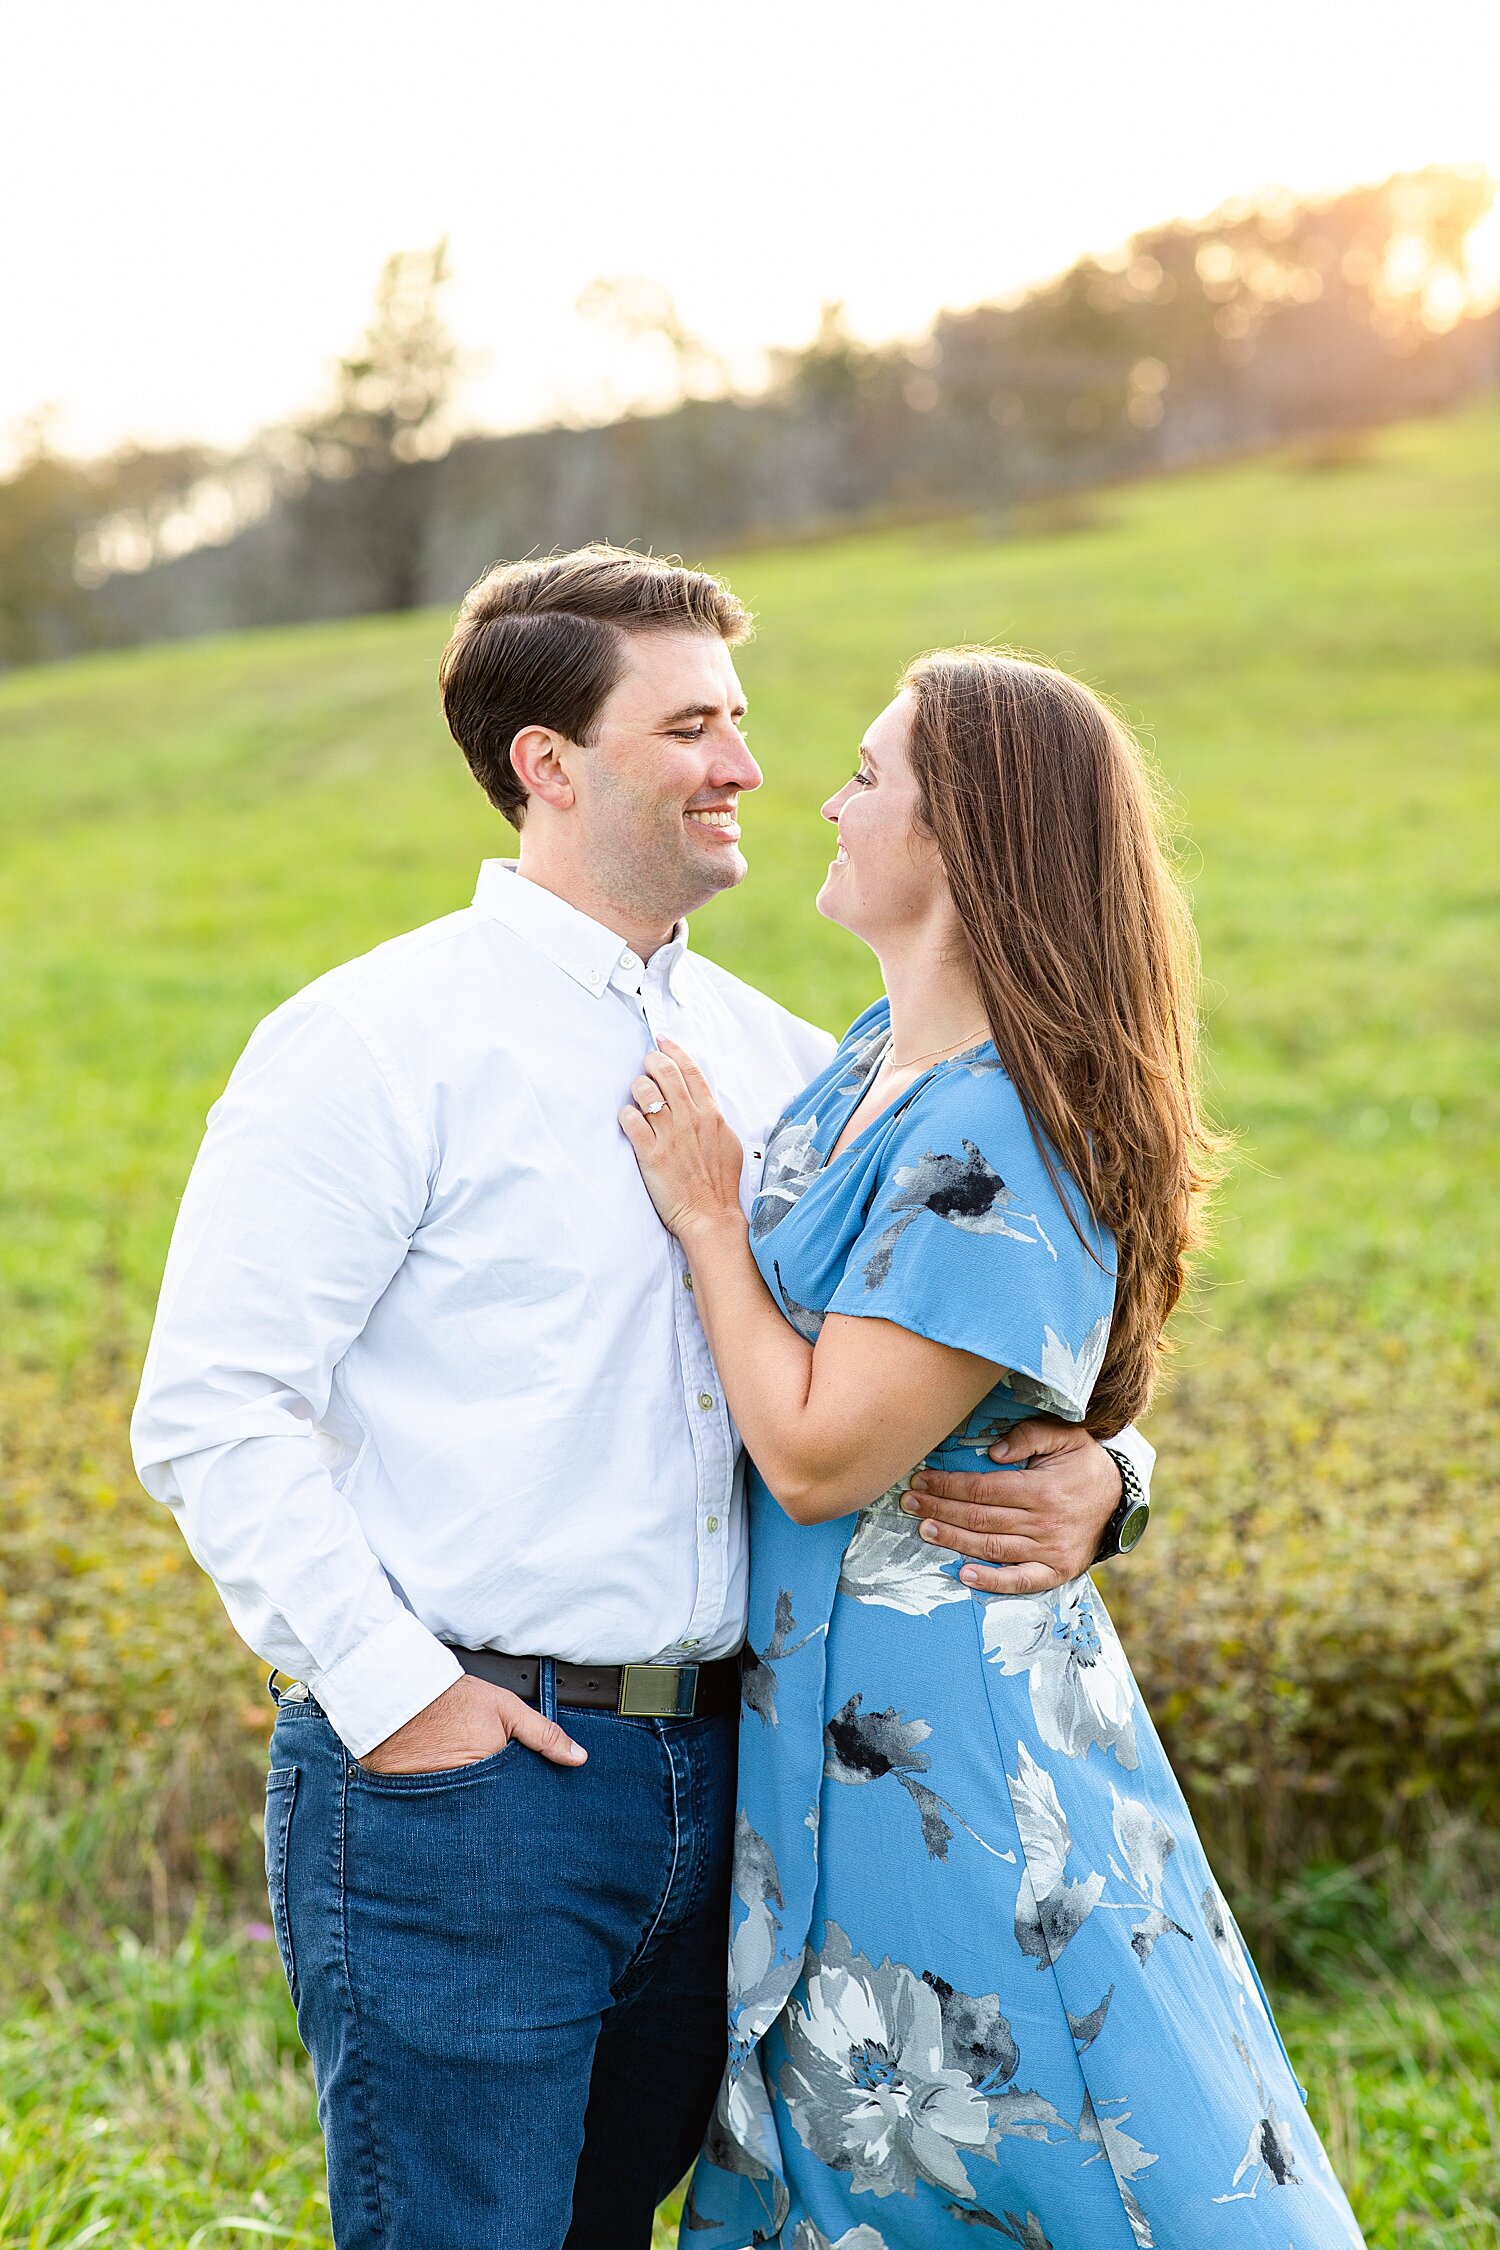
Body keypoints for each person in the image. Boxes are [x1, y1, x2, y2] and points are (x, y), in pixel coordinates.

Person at [131, 549, 1153, 2250]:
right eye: (692, 725)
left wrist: (1112, 1473)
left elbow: (948, 1328)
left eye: (741, 721)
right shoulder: (377, 1039)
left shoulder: (786, 1060)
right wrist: (404, 1704)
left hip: (738, 1784)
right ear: (549, 761)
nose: (747, 765)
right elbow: (213, 1409)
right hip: (474, 1781)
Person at [622, 650, 1365, 2248]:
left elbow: (820, 1455)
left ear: (962, 835)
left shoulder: (992, 1129)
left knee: (1063, 2156)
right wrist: (1121, 1470)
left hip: (950, 1752)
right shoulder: (855, 1072)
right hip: (822, 1738)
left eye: (868, 774)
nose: (823, 797)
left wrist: (703, 1221)